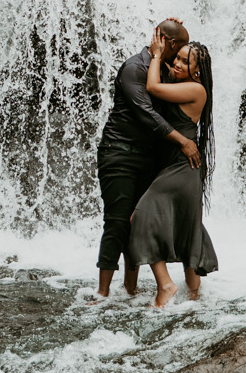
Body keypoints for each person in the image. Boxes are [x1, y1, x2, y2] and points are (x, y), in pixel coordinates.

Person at [93, 18, 201, 300]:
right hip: (120, 153)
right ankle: (102, 293)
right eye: (180, 49)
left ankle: (130, 288)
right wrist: (183, 141)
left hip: (150, 158)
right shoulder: (134, 67)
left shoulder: (164, 71)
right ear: (171, 43)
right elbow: (145, 112)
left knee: (137, 220)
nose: (180, 58)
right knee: (117, 222)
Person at [129, 30, 218, 307]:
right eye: (176, 58)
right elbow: (165, 72)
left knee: (140, 216)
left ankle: (166, 286)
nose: (176, 64)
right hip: (179, 166)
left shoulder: (195, 89)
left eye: (184, 62)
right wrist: (174, 31)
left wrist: (156, 54)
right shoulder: (184, 82)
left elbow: (153, 87)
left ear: (197, 71)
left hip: (182, 168)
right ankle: (195, 295)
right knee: (187, 225)